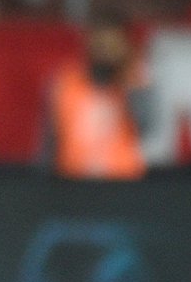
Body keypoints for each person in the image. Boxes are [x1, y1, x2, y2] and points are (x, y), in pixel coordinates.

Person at [40, 14, 153, 181]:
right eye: (100, 42)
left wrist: (127, 77)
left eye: (112, 44)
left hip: (124, 185)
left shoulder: (135, 81)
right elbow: (49, 140)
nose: (105, 50)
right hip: (72, 184)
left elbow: (148, 128)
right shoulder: (66, 82)